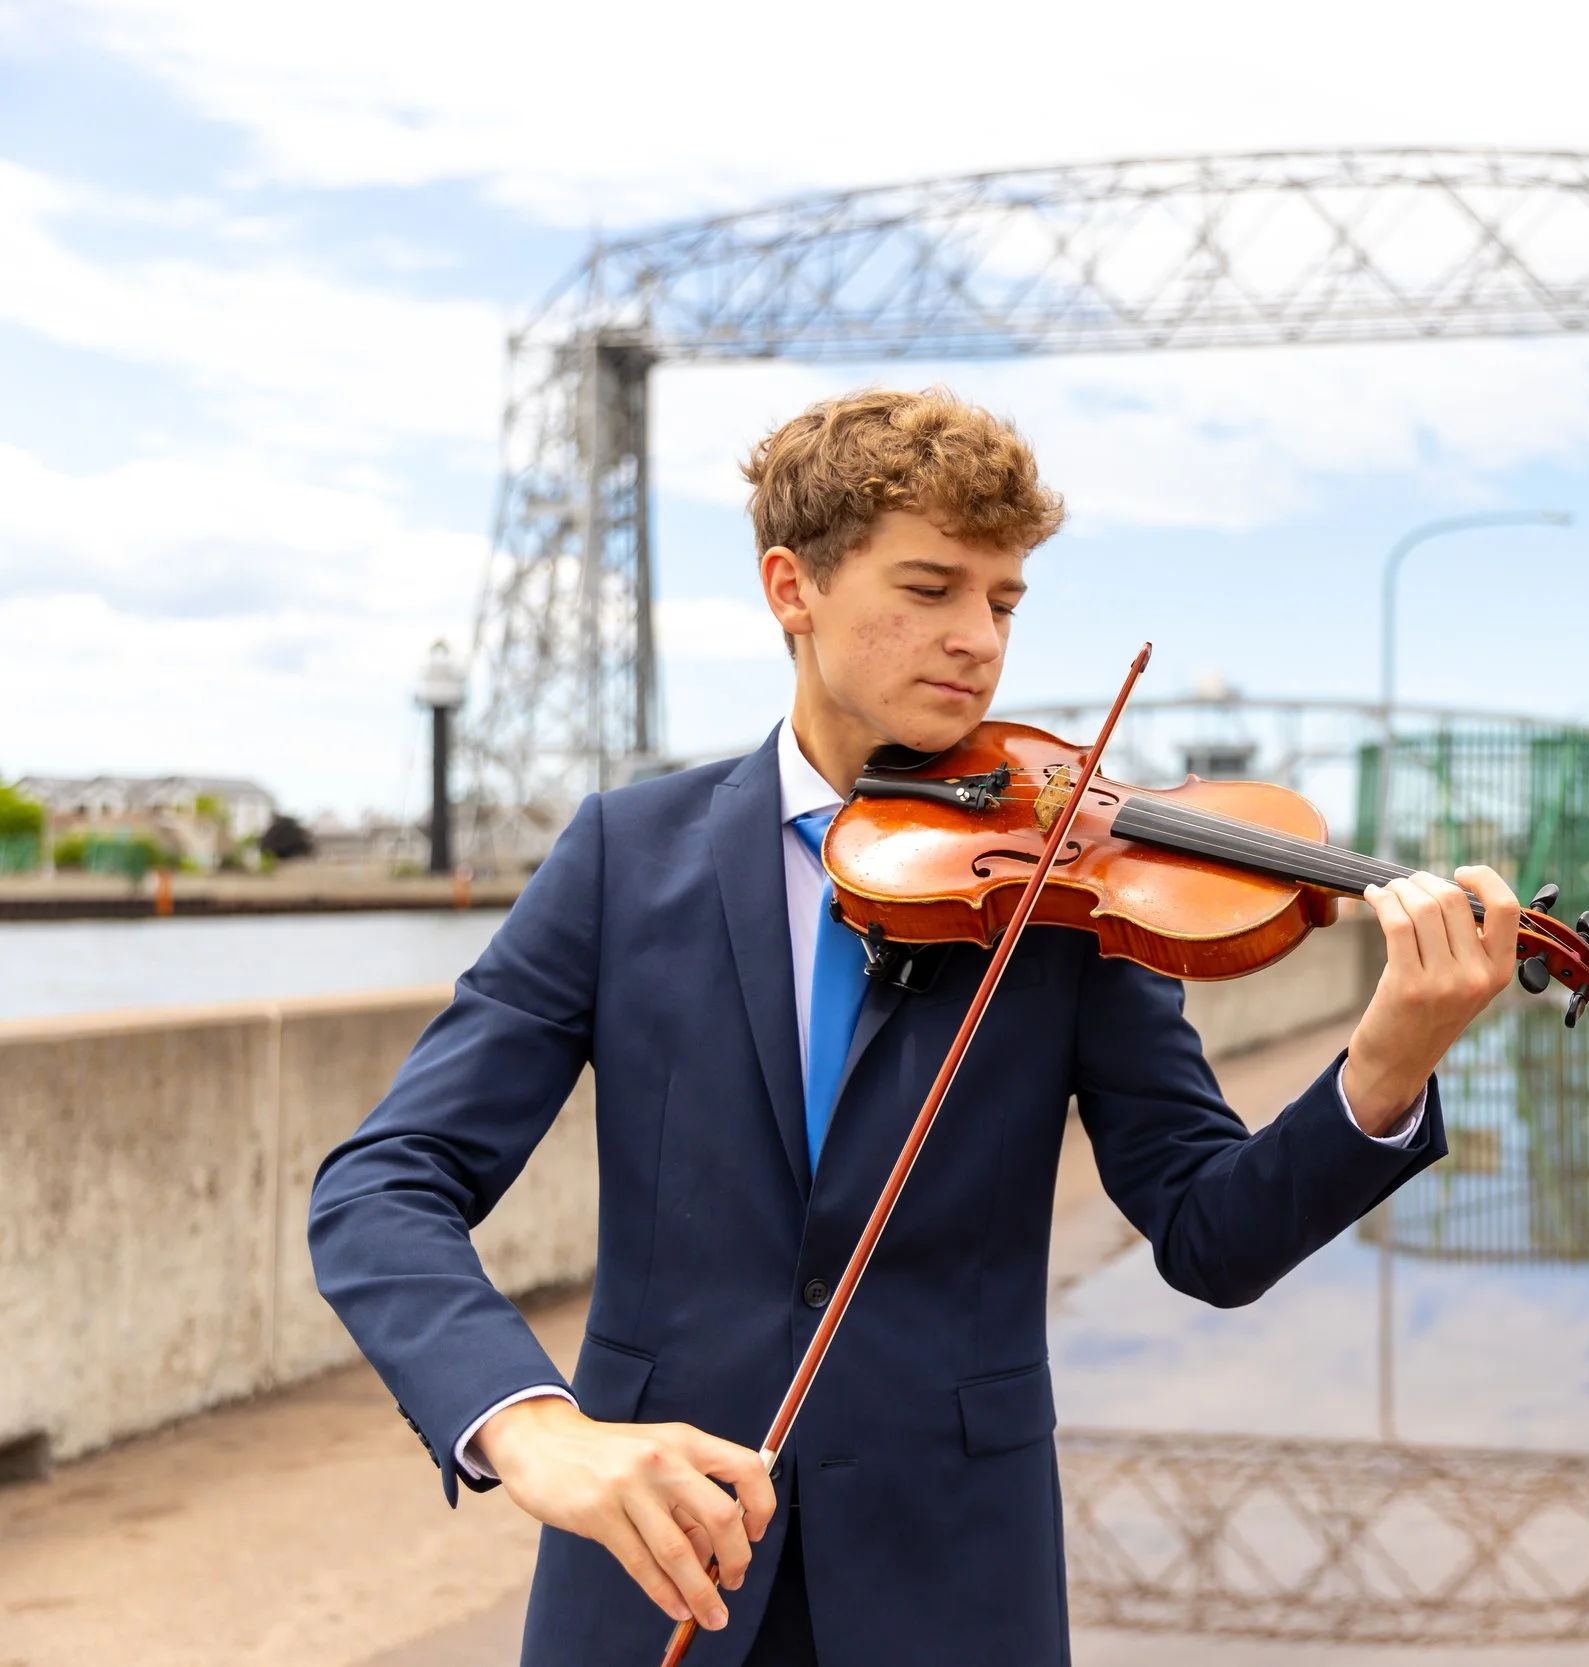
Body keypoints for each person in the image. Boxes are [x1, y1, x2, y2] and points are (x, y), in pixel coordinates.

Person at [308, 387, 1521, 1666]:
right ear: (793, 588)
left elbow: (1209, 1233)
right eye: (932, 588)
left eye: (1002, 601)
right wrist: (532, 1425)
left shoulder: (1066, 878)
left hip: (955, 1584)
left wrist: (1387, 1061)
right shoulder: (626, 856)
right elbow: (383, 1185)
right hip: (654, 1576)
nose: (978, 642)